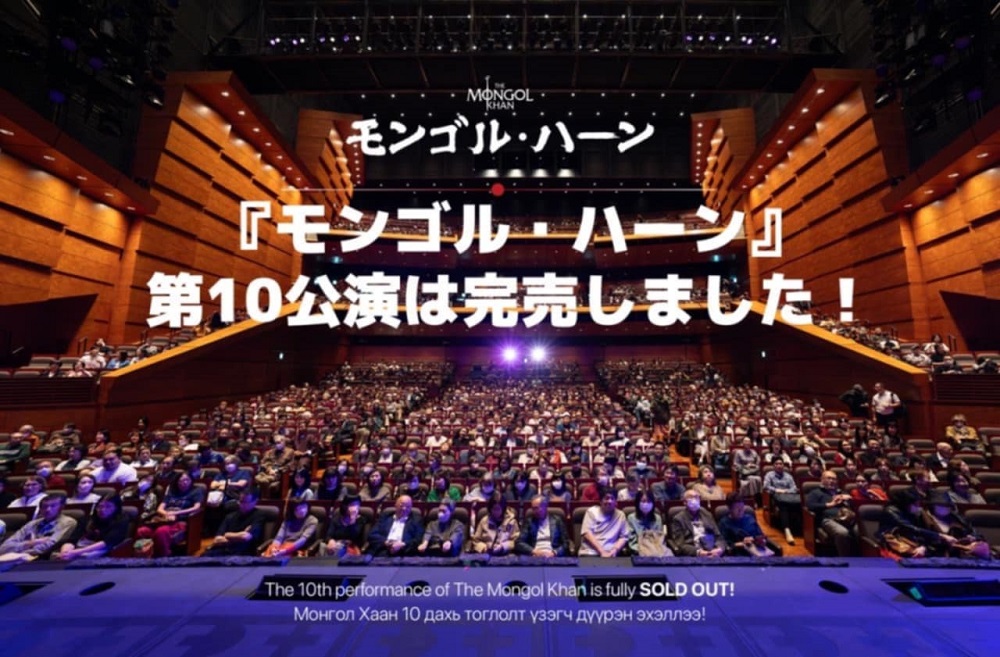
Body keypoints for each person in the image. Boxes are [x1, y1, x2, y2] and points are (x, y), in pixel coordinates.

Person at [136, 470, 203, 558]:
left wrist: (175, 513)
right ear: (177, 482)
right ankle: (141, 558)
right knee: (141, 531)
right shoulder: (171, 491)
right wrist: (166, 514)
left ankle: (163, 557)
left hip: (180, 520)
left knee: (161, 532)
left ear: (191, 481)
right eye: (181, 481)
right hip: (164, 519)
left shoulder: (196, 491)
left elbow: (196, 508)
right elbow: (160, 509)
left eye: (187, 480)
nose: (184, 483)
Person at [54, 493, 130, 561]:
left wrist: (75, 553)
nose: (102, 510)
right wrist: (65, 552)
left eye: (108, 507)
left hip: (98, 549)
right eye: (100, 506)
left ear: (116, 508)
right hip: (79, 547)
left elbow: (107, 542)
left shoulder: (121, 520)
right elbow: (72, 540)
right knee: (56, 556)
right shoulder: (87, 519)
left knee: (83, 557)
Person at [0, 494, 77, 560]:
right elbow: (4, 547)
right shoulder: (32, 524)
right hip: (18, 558)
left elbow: (48, 546)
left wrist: (19, 551)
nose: (48, 509)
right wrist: (31, 543)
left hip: (44, 560)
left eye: (53, 506)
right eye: (44, 507)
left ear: (61, 508)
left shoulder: (67, 522)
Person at [805, 470, 857, 557]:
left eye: (834, 479)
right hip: (828, 519)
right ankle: (845, 559)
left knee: (859, 531)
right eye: (829, 478)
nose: (832, 481)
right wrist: (829, 504)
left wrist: (850, 499)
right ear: (822, 480)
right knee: (842, 533)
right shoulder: (816, 492)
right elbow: (810, 506)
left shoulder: (841, 492)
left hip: (846, 518)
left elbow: (853, 506)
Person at [202, 489, 267, 557]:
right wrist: (238, 537)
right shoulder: (230, 516)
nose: (241, 504)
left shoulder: (259, 515)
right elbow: (216, 540)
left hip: (242, 554)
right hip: (222, 550)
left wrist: (227, 535)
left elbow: (246, 537)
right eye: (240, 501)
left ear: (255, 502)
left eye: (244, 502)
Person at [669, 490, 725, 557]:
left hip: (713, 552)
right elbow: (680, 544)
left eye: (696, 497)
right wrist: (698, 552)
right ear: (684, 502)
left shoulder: (707, 514)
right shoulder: (678, 519)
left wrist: (720, 549)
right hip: (694, 555)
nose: (694, 500)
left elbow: (718, 536)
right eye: (691, 497)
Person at [719, 493, 773, 557]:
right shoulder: (724, 523)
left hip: (757, 550)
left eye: (742, 507)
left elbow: (760, 535)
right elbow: (724, 545)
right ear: (729, 508)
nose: (740, 511)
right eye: (737, 508)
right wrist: (742, 543)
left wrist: (760, 541)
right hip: (738, 554)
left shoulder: (750, 518)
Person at [578, 491, 629, 558]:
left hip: (611, 552)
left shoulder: (620, 515)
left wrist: (615, 550)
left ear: (615, 502)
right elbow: (586, 533)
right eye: (606, 498)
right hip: (590, 552)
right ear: (600, 501)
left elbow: (624, 537)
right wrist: (602, 552)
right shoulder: (591, 512)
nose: (609, 501)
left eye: (612, 498)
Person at [762, 459, 799, 545]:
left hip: (788, 496)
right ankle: (787, 530)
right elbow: (766, 486)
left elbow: (794, 488)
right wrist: (776, 490)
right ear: (773, 466)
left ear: (783, 465)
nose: (779, 465)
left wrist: (785, 491)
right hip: (775, 498)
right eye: (776, 464)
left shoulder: (788, 476)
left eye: (781, 464)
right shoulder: (769, 475)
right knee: (783, 505)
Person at [626, 490, 669, 556]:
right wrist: (644, 550)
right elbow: (632, 542)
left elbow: (660, 539)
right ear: (637, 503)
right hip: (639, 552)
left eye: (649, 501)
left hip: (657, 552)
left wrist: (654, 550)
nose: (646, 504)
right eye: (643, 501)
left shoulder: (657, 518)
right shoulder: (631, 518)